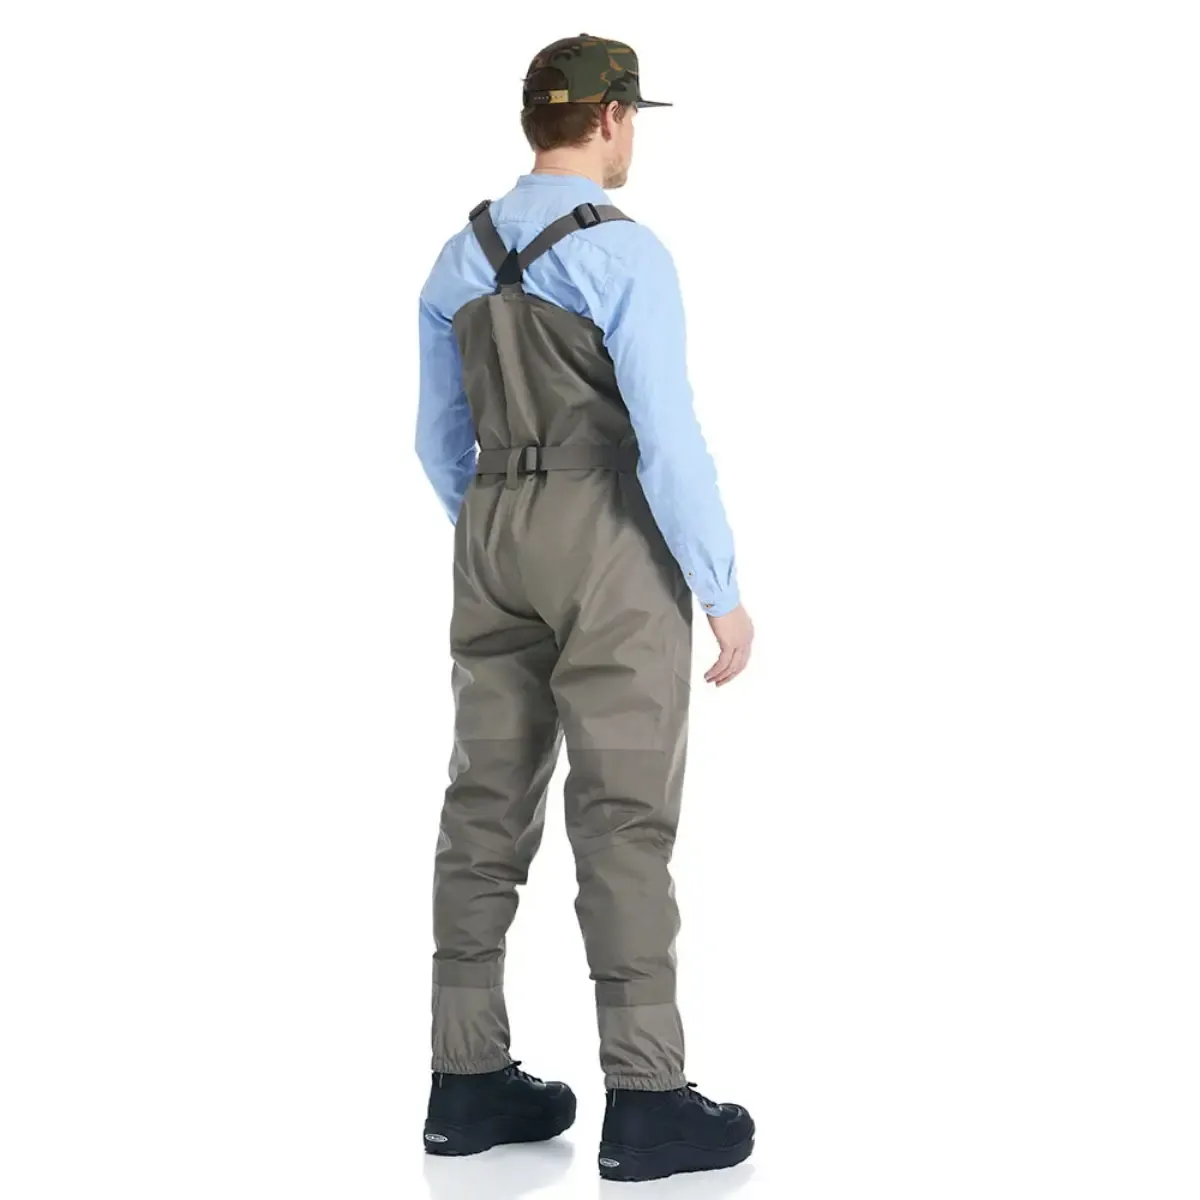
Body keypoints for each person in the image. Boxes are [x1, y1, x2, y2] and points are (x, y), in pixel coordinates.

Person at [415, 34, 755, 1184]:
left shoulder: (457, 259)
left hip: (490, 533)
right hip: (604, 532)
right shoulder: (624, 251)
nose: (633, 134)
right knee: (622, 816)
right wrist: (720, 588)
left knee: (483, 805)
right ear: (609, 118)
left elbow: (436, 440)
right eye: (633, 116)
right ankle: (648, 1100)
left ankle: (465, 1082)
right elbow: (666, 439)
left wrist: (498, 521)